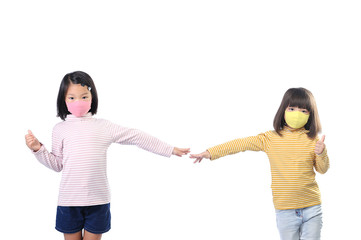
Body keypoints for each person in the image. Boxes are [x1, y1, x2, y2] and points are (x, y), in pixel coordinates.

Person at [25, 71, 190, 240]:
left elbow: (136, 136)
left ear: (92, 97)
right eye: (72, 97)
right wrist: (38, 149)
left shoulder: (104, 127)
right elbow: (58, 165)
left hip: (98, 201)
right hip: (69, 201)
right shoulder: (59, 129)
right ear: (63, 99)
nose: (78, 102)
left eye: (84, 96)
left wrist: (170, 149)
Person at [190, 87, 329, 240]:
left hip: (312, 207)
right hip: (285, 210)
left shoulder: (313, 140)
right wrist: (210, 152)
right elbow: (241, 144)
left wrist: (321, 153)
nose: (297, 114)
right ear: (283, 110)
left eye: (303, 111)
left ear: (311, 115)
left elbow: (322, 170)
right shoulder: (270, 138)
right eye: (292, 108)